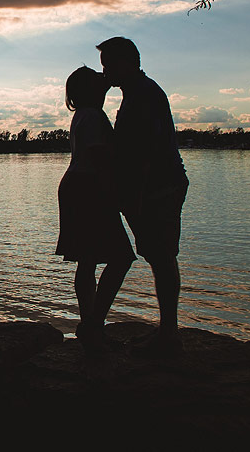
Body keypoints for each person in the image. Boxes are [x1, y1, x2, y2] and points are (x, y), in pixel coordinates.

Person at [97, 36, 190, 357]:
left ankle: (169, 334)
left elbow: (145, 153)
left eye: (108, 65)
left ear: (126, 62)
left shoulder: (143, 95)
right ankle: (167, 331)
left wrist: (135, 197)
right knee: (159, 256)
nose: (105, 72)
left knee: (162, 257)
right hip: (154, 188)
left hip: (158, 188)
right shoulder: (137, 93)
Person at [55, 66, 135, 352]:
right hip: (88, 188)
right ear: (89, 89)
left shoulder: (82, 115)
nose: (104, 80)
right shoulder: (93, 115)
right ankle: (94, 323)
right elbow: (99, 155)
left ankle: (89, 322)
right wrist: (116, 195)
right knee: (121, 257)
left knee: (87, 261)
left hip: (76, 186)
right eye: (97, 79)